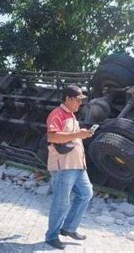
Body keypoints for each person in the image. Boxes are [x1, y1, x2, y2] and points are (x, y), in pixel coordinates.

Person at [44, 84, 94, 250]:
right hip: (64, 166)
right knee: (61, 202)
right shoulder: (57, 114)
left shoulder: (71, 115)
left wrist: (82, 133)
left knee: (86, 194)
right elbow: (52, 136)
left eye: (81, 100)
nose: (80, 103)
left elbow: (71, 137)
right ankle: (52, 236)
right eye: (77, 100)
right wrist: (78, 134)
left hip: (78, 166)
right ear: (67, 98)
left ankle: (69, 228)